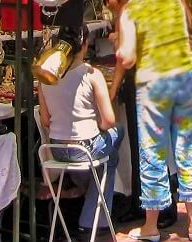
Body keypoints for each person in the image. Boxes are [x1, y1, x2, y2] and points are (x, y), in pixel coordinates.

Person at [104, 0, 192, 242]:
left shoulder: (129, 11)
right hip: (186, 78)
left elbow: (127, 58)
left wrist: (121, 42)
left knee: (153, 154)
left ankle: (151, 227)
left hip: (155, 84)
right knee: (189, 148)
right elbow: (188, 31)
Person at [38, 25, 122, 240]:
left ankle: (83, 194)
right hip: (84, 147)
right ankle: (93, 218)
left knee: (104, 158)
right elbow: (109, 120)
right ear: (85, 45)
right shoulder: (92, 74)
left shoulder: (45, 77)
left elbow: (46, 120)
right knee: (116, 137)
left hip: (56, 148)